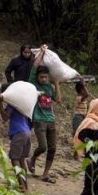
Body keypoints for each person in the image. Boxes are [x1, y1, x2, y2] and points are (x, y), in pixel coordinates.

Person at [27, 48, 62, 184]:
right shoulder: (33, 84)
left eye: (46, 77)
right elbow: (35, 66)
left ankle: (45, 174)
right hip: (39, 120)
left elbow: (58, 100)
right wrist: (42, 52)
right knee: (43, 146)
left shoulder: (49, 87)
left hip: (51, 120)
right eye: (41, 77)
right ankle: (33, 158)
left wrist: (57, 84)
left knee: (52, 148)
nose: (43, 79)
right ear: (37, 77)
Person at [1, 96, 32, 191]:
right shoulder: (23, 104)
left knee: (14, 159)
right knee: (22, 159)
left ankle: (21, 184)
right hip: (27, 132)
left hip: (19, 132)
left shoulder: (12, 104)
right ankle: (25, 185)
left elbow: (5, 117)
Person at [70, 80, 90, 157]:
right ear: (81, 90)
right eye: (84, 89)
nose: (85, 90)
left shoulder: (83, 98)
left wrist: (84, 85)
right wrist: (83, 85)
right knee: (78, 136)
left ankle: (78, 153)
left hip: (83, 118)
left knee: (82, 136)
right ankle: (76, 154)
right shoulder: (79, 97)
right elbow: (87, 94)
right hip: (78, 118)